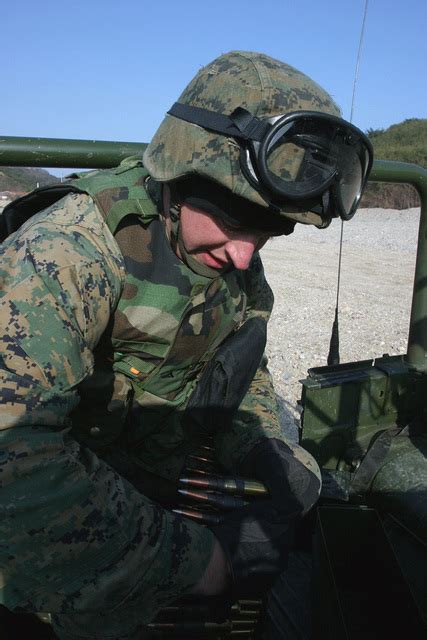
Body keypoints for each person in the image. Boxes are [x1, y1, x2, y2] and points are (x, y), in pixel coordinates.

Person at [0, 51, 372, 639]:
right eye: (232, 219)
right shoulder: (65, 253)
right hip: (60, 524)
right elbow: (15, 468)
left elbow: (240, 368)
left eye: (270, 231)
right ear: (179, 175)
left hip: (156, 490)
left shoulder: (237, 268)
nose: (245, 256)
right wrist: (205, 564)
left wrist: (266, 448)